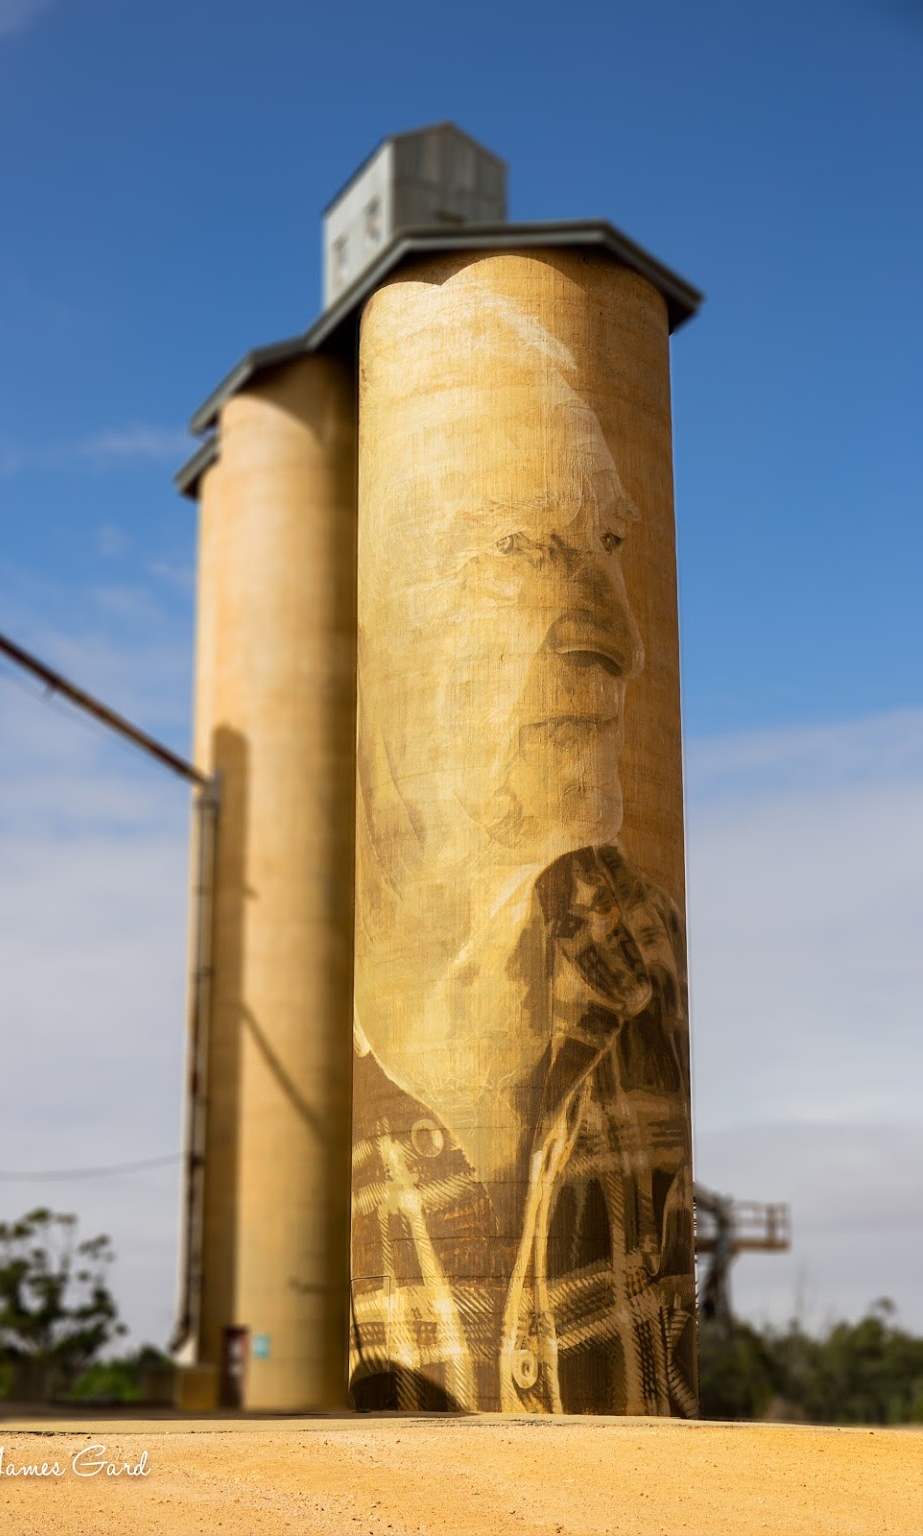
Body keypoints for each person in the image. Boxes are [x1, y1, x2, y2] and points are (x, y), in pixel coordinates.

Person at [351, 283, 696, 1414]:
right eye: (518, 544)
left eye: (604, 541)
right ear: (365, 627)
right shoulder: (314, 1073)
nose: (624, 642)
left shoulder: (652, 967)